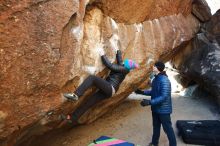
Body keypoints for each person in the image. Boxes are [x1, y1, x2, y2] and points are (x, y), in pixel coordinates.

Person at [61, 47, 138, 125]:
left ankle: (76, 95)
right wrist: (118, 51)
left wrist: (102, 54)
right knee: (88, 102)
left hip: (110, 88)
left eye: (125, 62)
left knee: (92, 78)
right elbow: (120, 61)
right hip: (110, 91)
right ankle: (72, 118)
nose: (123, 62)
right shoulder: (124, 68)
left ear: (126, 65)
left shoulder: (124, 69)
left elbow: (110, 66)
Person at [135, 61, 176, 146]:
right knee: (156, 127)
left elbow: (164, 96)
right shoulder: (155, 79)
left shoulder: (165, 80)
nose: (153, 67)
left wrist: (149, 102)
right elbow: (153, 92)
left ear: (158, 68)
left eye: (154, 66)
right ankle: (154, 143)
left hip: (164, 110)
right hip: (155, 109)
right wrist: (142, 92)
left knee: (167, 129)